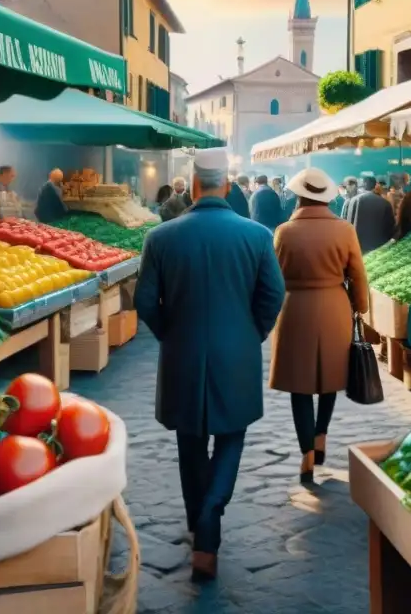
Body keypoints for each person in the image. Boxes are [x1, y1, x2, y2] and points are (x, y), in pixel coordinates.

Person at [134, 148, 285, 581]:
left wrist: (170, 332)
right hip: (236, 351)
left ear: (195, 185)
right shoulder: (256, 236)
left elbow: (144, 300)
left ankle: (199, 521)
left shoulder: (161, 237)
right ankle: (210, 520)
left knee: (189, 442)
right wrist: (250, 333)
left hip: (181, 351)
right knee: (231, 437)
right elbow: (273, 296)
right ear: (227, 185)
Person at [270, 168, 369, 483]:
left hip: (295, 308)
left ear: (299, 195)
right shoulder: (344, 230)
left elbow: (273, 276)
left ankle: (307, 455)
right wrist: (361, 307)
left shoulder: (284, 231)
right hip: (334, 307)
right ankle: (321, 437)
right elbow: (358, 274)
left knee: (299, 387)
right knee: (330, 378)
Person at [343, 175, 395, 253]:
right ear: (375, 185)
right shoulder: (385, 203)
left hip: (355, 245)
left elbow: (344, 223)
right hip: (377, 247)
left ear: (362, 185)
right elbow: (390, 226)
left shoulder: (350, 201)